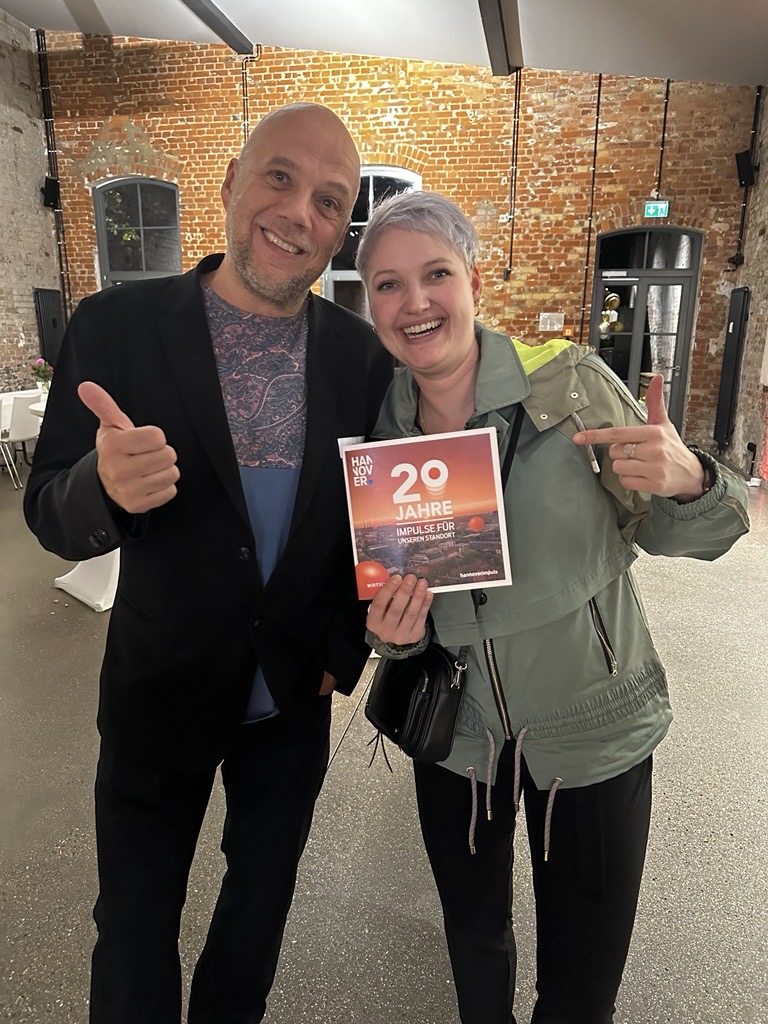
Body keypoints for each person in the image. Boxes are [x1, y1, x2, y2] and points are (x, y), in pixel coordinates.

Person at [24, 103, 393, 1024]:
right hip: (160, 687)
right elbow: (48, 506)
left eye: (329, 200)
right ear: (231, 184)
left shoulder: (361, 359)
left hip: (293, 696)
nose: (299, 212)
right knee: (133, 926)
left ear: (340, 230)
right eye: (279, 177)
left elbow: (373, 523)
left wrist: (343, 647)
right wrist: (104, 488)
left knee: (256, 914)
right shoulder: (116, 326)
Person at [355, 190, 749, 1024]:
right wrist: (394, 637)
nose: (414, 301)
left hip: (593, 729)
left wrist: (692, 480)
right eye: (388, 284)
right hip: (460, 743)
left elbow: (697, 535)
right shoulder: (383, 434)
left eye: (435, 274)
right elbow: (404, 611)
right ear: (371, 305)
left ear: (473, 282)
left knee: (579, 986)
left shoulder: (570, 387)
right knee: (474, 953)